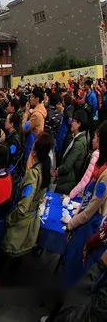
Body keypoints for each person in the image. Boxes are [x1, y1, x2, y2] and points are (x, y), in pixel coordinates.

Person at [0, 133, 52, 280]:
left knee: (7, 255)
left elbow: (23, 206)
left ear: (34, 153)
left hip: (21, 222)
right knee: (18, 258)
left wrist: (10, 219)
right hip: (31, 220)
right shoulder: (45, 167)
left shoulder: (33, 175)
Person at [63, 122, 107, 286]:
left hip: (90, 226)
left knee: (74, 272)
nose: (94, 140)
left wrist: (71, 224)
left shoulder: (105, 174)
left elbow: (92, 209)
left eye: (97, 137)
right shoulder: (100, 165)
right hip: (85, 221)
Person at [56, 110, 90, 195]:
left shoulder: (78, 143)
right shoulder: (78, 138)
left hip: (68, 180)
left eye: (74, 121)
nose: (71, 123)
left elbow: (67, 165)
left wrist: (58, 171)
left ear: (79, 124)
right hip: (68, 179)